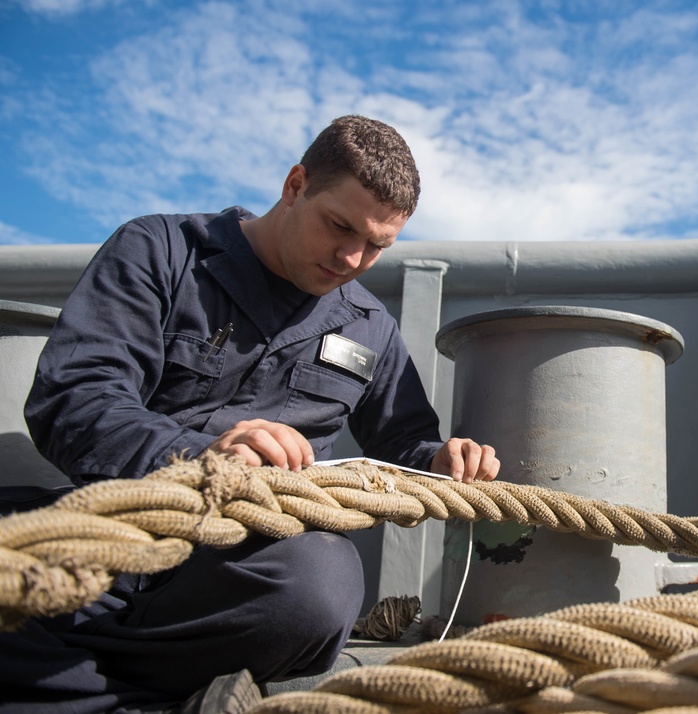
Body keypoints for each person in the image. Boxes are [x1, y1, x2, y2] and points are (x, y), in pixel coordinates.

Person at [1, 115, 500, 713]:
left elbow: (404, 444)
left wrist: (442, 461)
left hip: (243, 571)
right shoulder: (159, 251)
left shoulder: (372, 329)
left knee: (319, 588)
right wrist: (201, 457)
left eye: (376, 246)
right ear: (295, 185)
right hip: (108, 537)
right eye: (339, 227)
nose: (351, 257)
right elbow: (74, 400)